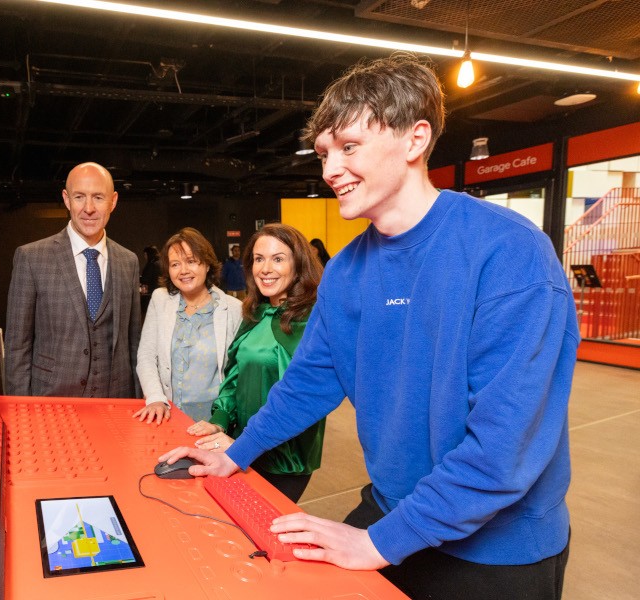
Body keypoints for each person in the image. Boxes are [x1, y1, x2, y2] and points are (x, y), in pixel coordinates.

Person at [160, 55, 579, 600]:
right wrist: (233, 453)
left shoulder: (510, 254)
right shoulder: (348, 271)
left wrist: (378, 544)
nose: (331, 168)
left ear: (414, 139)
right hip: (393, 508)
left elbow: (504, 451)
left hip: (497, 547)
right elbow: (309, 381)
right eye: (326, 152)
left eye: (349, 147)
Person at [186, 223, 325, 503]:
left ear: (298, 265)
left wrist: (245, 445)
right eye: (259, 259)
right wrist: (220, 421)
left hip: (283, 458)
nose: (265, 268)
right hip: (238, 447)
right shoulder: (256, 312)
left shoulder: (311, 321)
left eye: (278, 259)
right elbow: (234, 377)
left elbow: (299, 401)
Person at [5, 162, 141, 398]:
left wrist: (140, 401)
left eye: (98, 197)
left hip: (117, 400)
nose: (88, 208)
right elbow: (18, 347)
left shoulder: (128, 261)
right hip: (52, 400)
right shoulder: (31, 258)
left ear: (113, 201)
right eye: (80, 197)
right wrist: (21, 409)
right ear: (67, 200)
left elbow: (134, 343)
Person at [133, 228, 242, 424]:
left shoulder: (234, 309)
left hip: (213, 422)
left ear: (207, 264)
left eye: (191, 261)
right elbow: (147, 355)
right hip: (166, 416)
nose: (183, 271)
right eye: (175, 264)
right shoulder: (161, 299)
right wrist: (155, 397)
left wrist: (221, 421)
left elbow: (237, 374)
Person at [139, 245, 161, 315]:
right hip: (158, 293)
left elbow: (146, 279)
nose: (144, 257)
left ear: (149, 254)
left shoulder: (152, 264)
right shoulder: (160, 262)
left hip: (150, 294)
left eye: (145, 254)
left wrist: (138, 278)